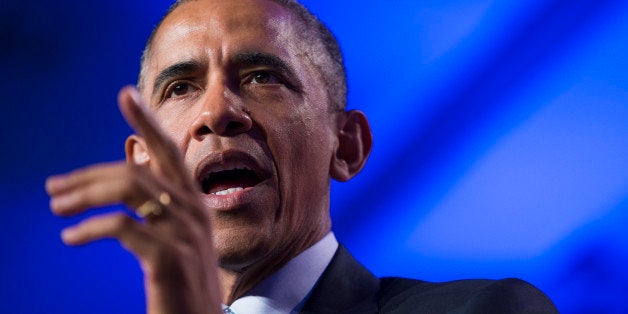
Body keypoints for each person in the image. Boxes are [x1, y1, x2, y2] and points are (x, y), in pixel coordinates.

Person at [45, 0, 558, 313]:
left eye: (263, 77)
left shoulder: (487, 310)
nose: (217, 111)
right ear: (144, 165)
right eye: (180, 87)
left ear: (347, 145)